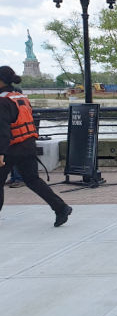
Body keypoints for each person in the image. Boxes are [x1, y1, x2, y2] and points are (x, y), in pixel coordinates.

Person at [0, 65, 71, 226]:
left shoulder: (2, 101)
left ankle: (61, 208)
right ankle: (61, 208)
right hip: (28, 144)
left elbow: (2, 130)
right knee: (33, 180)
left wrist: (1, 153)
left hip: (10, 148)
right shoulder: (20, 97)